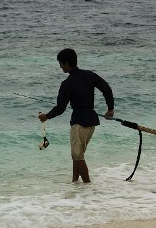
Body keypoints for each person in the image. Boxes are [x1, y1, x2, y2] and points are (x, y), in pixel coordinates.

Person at [39, 48, 114, 183]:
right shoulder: (89, 75)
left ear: (67, 64)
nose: (60, 66)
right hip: (91, 122)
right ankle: (75, 182)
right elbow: (106, 89)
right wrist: (110, 108)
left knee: (78, 157)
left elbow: (60, 108)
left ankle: (87, 186)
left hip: (79, 123)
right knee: (77, 155)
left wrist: (47, 116)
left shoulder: (67, 84)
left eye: (61, 64)